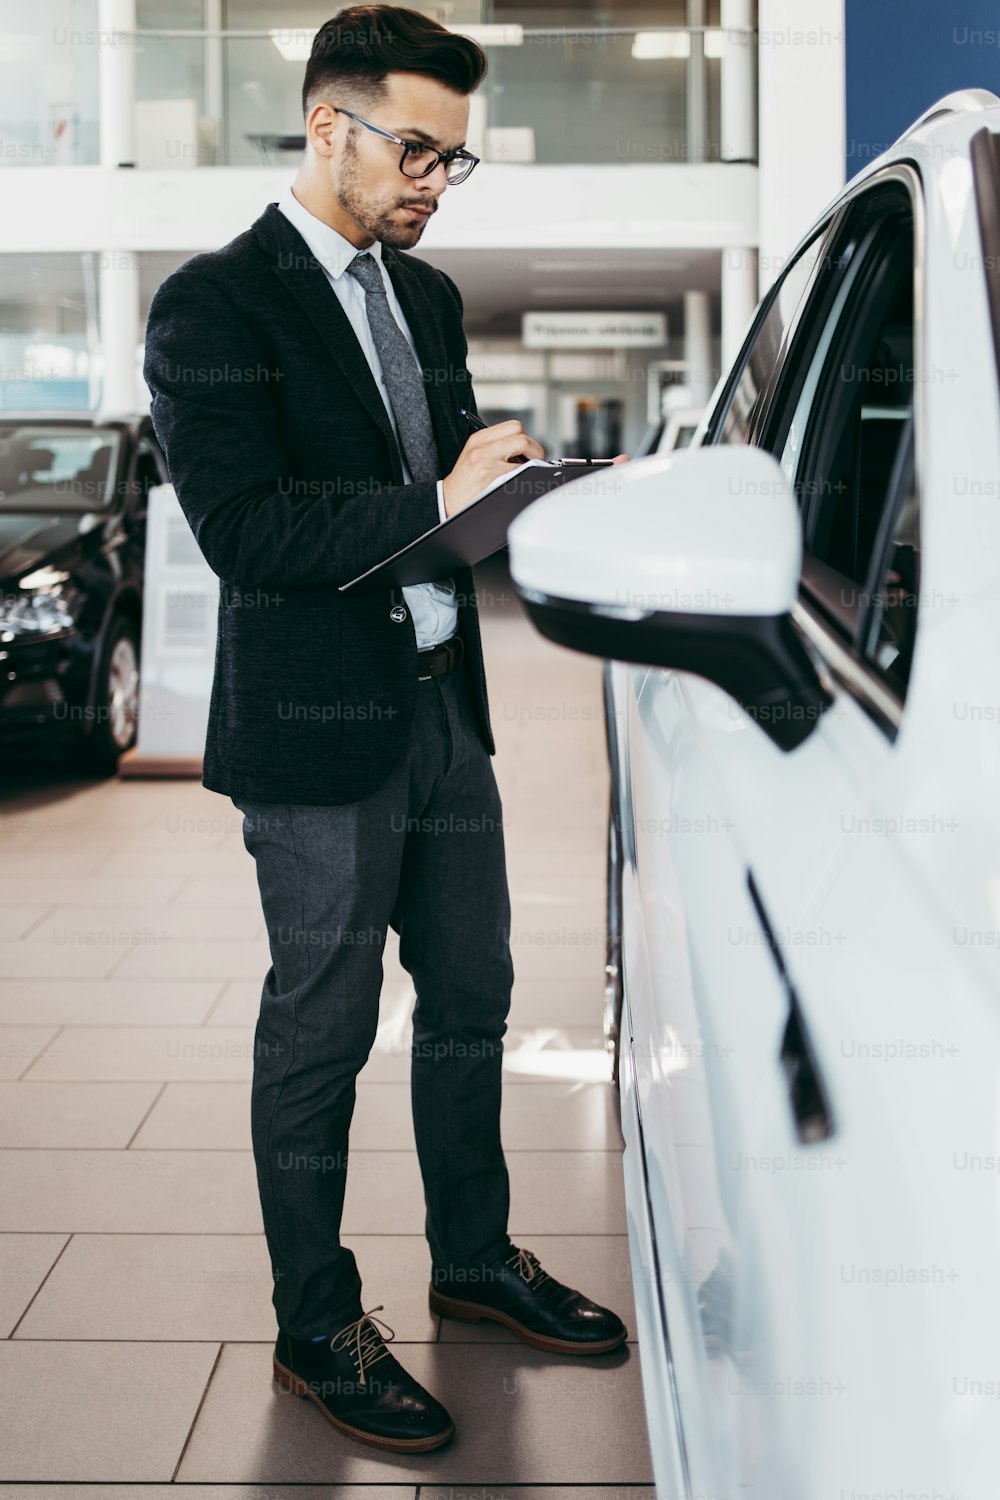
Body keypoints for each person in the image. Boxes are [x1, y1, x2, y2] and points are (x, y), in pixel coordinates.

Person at [143, 3, 627, 1455]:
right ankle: (316, 1321)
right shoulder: (211, 306)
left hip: (440, 712)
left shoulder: (423, 300)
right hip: (312, 730)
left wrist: (520, 501)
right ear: (328, 124)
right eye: (414, 149)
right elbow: (245, 530)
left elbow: (444, 501)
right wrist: (435, 505)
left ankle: (472, 1263)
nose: (431, 181)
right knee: (324, 1024)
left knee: (474, 991)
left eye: (452, 161)